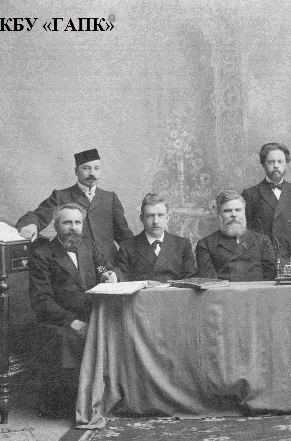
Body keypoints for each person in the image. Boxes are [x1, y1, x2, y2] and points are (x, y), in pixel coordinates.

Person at [29, 202, 122, 416]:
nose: (73, 228)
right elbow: (41, 300)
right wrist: (72, 321)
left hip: (92, 315)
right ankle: (72, 406)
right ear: (56, 225)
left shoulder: (89, 247)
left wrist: (110, 275)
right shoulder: (42, 254)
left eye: (77, 222)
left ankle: (108, 399)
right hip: (59, 321)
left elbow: (105, 267)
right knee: (70, 338)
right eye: (67, 222)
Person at [16, 148, 133, 261]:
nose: (92, 173)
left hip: (109, 263)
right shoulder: (61, 196)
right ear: (76, 171)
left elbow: (124, 235)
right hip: (77, 264)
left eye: (96, 168)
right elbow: (36, 216)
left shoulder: (110, 198)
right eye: (86, 168)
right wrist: (32, 225)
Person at [196, 190, 276, 281]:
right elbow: (209, 281)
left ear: (244, 212)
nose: (234, 215)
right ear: (219, 214)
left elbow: (270, 276)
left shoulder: (262, 241)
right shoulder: (206, 244)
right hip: (225, 290)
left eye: (238, 210)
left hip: (258, 290)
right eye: (227, 211)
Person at [117, 193, 197, 282]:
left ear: (168, 217)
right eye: (150, 216)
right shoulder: (128, 247)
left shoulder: (182, 245)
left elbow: (189, 280)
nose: (155, 221)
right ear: (142, 218)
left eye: (160, 215)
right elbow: (123, 281)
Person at [241, 143, 291, 247]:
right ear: (263, 164)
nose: (276, 165)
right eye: (271, 162)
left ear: (286, 163)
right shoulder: (250, 194)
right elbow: (247, 231)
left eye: (280, 161)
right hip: (265, 251)